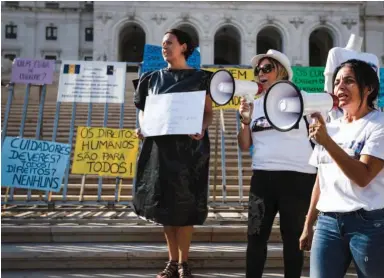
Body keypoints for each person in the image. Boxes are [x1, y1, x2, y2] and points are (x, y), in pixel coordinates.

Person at [133, 29, 213, 278]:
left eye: (169, 43)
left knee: (186, 204)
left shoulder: (202, 78)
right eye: (162, 44)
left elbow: (208, 112)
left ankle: (184, 263)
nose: (164, 47)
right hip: (160, 149)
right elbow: (144, 110)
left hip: (190, 149)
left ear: (184, 47)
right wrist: (142, 126)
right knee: (165, 204)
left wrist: (202, 127)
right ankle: (171, 261)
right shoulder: (151, 78)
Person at [300, 59, 384, 278]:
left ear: (368, 88)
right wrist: (309, 223)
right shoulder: (331, 127)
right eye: (337, 82)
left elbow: (363, 176)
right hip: (327, 223)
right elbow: (321, 179)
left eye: (349, 81)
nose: (340, 87)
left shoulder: (379, 125)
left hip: (368, 224)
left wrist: (327, 142)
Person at [238, 49, 317, 278]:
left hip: (298, 176)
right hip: (263, 177)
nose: (260, 73)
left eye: (267, 68)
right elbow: (245, 145)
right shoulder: (254, 104)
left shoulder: (302, 98)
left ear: (281, 72)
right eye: (258, 69)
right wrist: (244, 120)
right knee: (255, 238)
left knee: (292, 240)